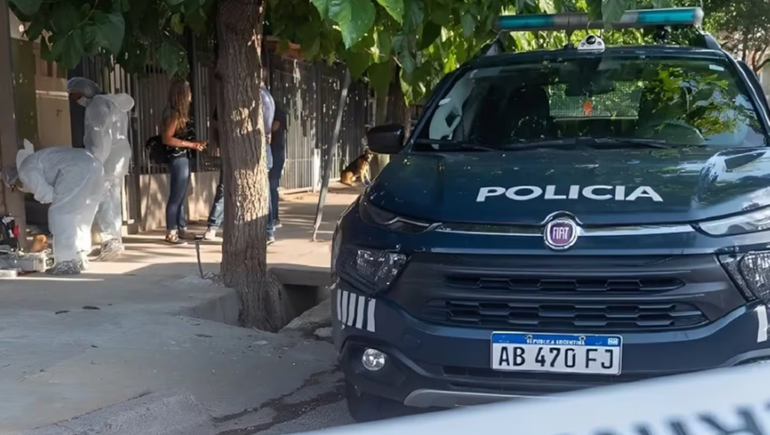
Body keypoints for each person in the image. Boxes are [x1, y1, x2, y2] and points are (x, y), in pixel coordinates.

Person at [2, 140, 104, 275]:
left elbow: (45, 194)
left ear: (15, 179)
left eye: (14, 186)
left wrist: (57, 201)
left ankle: (66, 261)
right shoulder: (39, 159)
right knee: (83, 216)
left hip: (76, 169)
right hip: (95, 165)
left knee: (61, 214)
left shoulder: (25, 170)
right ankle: (79, 256)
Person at [66, 77, 135, 261]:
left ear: (84, 92)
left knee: (101, 198)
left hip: (105, 158)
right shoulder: (113, 102)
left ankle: (109, 239)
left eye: (74, 95)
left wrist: (94, 162)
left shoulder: (97, 106)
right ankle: (115, 240)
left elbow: (101, 138)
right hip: (119, 156)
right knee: (113, 198)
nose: (73, 100)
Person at [203, 82, 276, 245]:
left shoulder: (253, 96)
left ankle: (213, 225)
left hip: (247, 145)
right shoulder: (267, 96)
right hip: (262, 146)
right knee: (264, 190)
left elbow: (218, 118)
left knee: (226, 185)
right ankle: (268, 230)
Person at [161, 80, 207, 245]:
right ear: (182, 94)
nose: (191, 95)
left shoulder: (180, 113)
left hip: (183, 156)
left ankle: (181, 227)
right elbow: (167, 138)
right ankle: (171, 231)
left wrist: (194, 144)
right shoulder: (174, 114)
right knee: (176, 195)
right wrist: (191, 145)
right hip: (178, 157)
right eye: (188, 92)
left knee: (181, 195)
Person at [269, 104, 287, 229]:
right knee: (270, 187)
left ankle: (274, 217)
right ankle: (271, 218)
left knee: (272, 186)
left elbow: (275, 125)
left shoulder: (275, 106)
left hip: (275, 151)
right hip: (270, 151)